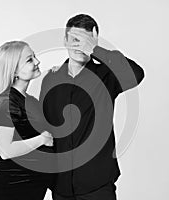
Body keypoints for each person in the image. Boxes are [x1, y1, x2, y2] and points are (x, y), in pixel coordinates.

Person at [39, 14, 145, 200]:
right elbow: (43, 126)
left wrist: (96, 49)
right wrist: (16, 158)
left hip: (97, 185)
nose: (80, 46)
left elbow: (136, 74)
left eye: (86, 41)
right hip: (60, 187)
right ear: (65, 41)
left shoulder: (107, 76)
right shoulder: (50, 79)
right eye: (75, 39)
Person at [0, 41, 55, 200]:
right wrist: (42, 139)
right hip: (13, 187)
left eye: (35, 57)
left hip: (33, 185)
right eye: (29, 59)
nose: (37, 61)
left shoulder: (29, 100)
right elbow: (6, 151)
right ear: (15, 70)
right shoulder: (5, 102)